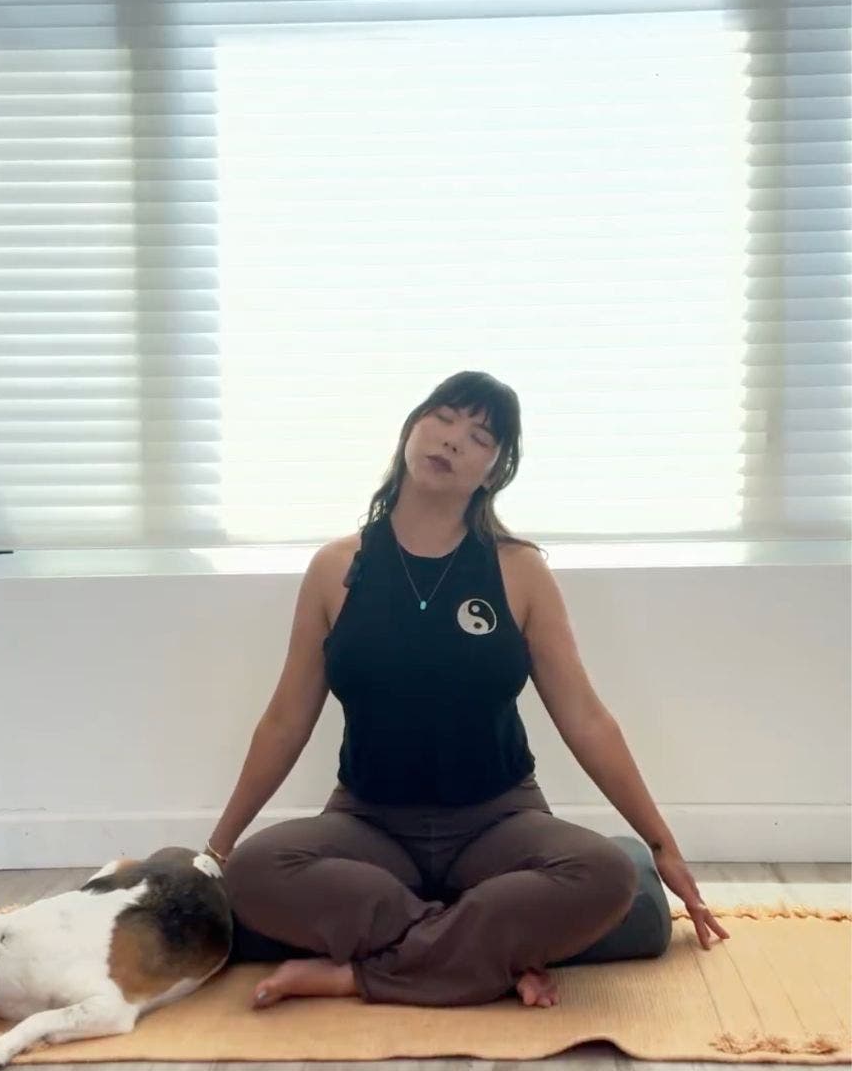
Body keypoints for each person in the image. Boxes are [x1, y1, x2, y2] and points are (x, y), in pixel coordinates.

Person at [204, 371, 728, 1011]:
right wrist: (217, 848)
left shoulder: (519, 570)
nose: (453, 440)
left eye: (479, 437)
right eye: (444, 418)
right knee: (255, 875)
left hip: (497, 822)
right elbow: (286, 720)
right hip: (370, 825)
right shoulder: (336, 570)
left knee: (613, 877)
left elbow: (586, 718)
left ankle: (361, 972)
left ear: (493, 471)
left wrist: (662, 845)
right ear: (412, 429)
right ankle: (486, 953)